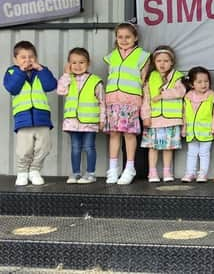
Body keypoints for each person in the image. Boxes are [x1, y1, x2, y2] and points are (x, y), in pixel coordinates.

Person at [3, 41, 57, 186]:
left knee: (44, 147)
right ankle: (22, 173)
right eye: (23, 57)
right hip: (23, 118)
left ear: (36, 58)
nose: (27, 60)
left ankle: (34, 170)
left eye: (31, 57)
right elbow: (12, 88)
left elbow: (51, 85)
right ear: (15, 59)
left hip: (42, 118)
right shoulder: (12, 72)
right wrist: (21, 71)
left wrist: (41, 69)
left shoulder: (41, 71)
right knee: (24, 149)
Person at [103, 22, 151, 185]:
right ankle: (113, 168)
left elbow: (144, 81)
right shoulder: (112, 56)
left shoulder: (142, 56)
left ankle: (130, 167)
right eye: (120, 37)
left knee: (129, 134)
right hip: (112, 100)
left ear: (135, 38)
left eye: (128, 37)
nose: (124, 40)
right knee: (114, 134)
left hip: (130, 100)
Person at [57, 47, 106, 184]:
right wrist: (66, 75)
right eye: (74, 63)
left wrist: (102, 120)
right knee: (75, 148)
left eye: (81, 62)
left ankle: (90, 173)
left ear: (88, 63)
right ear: (69, 64)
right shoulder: (67, 79)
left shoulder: (95, 80)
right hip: (73, 122)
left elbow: (102, 102)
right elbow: (61, 91)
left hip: (89, 121)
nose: (77, 66)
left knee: (89, 147)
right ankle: (75, 173)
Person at [141, 46, 186, 182]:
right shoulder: (150, 78)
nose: (162, 64)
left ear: (172, 62)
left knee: (168, 148)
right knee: (153, 147)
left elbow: (180, 92)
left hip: (171, 120)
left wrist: (162, 95)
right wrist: (146, 116)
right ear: (154, 62)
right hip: (154, 120)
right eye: (159, 60)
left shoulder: (177, 76)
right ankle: (152, 172)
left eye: (166, 61)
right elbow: (146, 99)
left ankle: (167, 172)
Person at [181, 67, 214, 183]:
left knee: (204, 153)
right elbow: (185, 113)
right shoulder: (188, 97)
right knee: (191, 153)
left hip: (206, 131)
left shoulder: (211, 96)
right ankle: (190, 172)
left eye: (206, 81)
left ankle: (202, 173)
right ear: (192, 84)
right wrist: (184, 127)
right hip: (191, 131)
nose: (203, 84)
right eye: (199, 82)